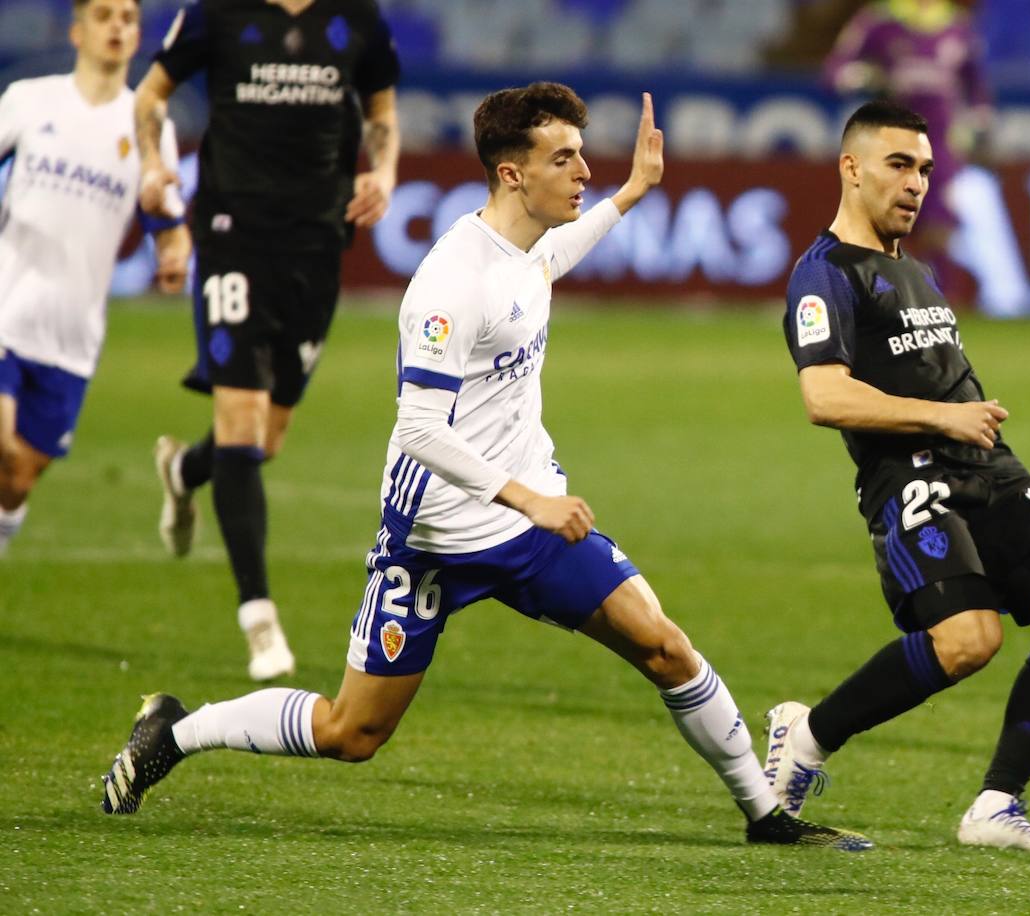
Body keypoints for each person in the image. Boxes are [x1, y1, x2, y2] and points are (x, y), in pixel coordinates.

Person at [100, 82, 872, 851]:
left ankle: (767, 817)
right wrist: (528, 499)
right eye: (563, 158)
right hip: (436, 535)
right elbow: (418, 428)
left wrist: (634, 193)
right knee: (352, 732)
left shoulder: (523, 254)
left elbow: (548, 264)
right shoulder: (450, 282)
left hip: (531, 526)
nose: (582, 172)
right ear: (512, 174)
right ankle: (178, 729)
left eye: (582, 155)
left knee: (665, 646)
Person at [764, 100, 1030, 853]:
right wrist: (944, 418)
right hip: (910, 473)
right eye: (898, 164)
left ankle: (996, 807)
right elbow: (825, 397)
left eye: (923, 167)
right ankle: (808, 734)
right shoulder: (824, 275)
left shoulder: (912, 268)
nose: (917, 182)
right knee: (967, 641)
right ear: (850, 169)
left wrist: (966, 426)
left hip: (990, 466)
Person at [134, 0, 402, 680]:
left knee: (264, 439)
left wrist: (384, 171)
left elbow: (381, 114)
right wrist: (150, 164)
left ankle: (184, 470)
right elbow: (151, 95)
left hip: (316, 243)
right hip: (231, 235)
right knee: (241, 422)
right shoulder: (218, 13)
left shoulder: (356, 17)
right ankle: (259, 619)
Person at [0, 0, 190, 556]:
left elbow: (169, 227)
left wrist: (173, 255)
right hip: (7, 311)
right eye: (104, 15)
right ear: (77, 31)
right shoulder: (30, 102)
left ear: (137, 38)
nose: (117, 26)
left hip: (73, 336)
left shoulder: (151, 128)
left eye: (128, 18)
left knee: (16, 482)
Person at [822, 0, 993, 300]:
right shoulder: (880, 21)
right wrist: (857, 75)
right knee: (884, 223)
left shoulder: (957, 27)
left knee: (938, 227)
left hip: (941, 143)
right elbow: (836, 68)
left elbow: (976, 82)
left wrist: (979, 116)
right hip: (891, 145)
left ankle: (940, 299)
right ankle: (874, 296)